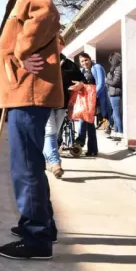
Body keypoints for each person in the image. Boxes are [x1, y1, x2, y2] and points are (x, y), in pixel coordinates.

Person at [0, 0, 63, 260]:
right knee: (28, 162)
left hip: (28, 92)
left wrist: (21, 52)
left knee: (26, 165)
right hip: (22, 90)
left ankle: (37, 237)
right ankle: (41, 225)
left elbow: (46, 15)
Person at [43, 35, 85, 179]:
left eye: (60, 43)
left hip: (62, 102)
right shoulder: (43, 60)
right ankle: (55, 163)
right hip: (45, 102)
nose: (58, 46)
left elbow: (82, 80)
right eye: (54, 43)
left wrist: (80, 84)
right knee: (50, 131)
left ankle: (44, 158)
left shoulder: (68, 64)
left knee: (54, 133)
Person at [75, 52, 106, 156]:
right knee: (85, 121)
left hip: (93, 100)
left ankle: (85, 144)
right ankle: (88, 147)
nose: (84, 63)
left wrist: (93, 96)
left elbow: (101, 84)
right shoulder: (82, 70)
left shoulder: (97, 67)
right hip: (84, 100)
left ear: (90, 59)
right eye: (82, 61)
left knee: (89, 123)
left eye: (86, 60)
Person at [105, 52, 123, 141]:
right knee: (115, 115)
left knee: (116, 115)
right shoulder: (116, 68)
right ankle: (116, 132)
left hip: (115, 93)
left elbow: (116, 82)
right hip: (113, 93)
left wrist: (106, 80)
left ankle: (120, 132)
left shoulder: (118, 68)